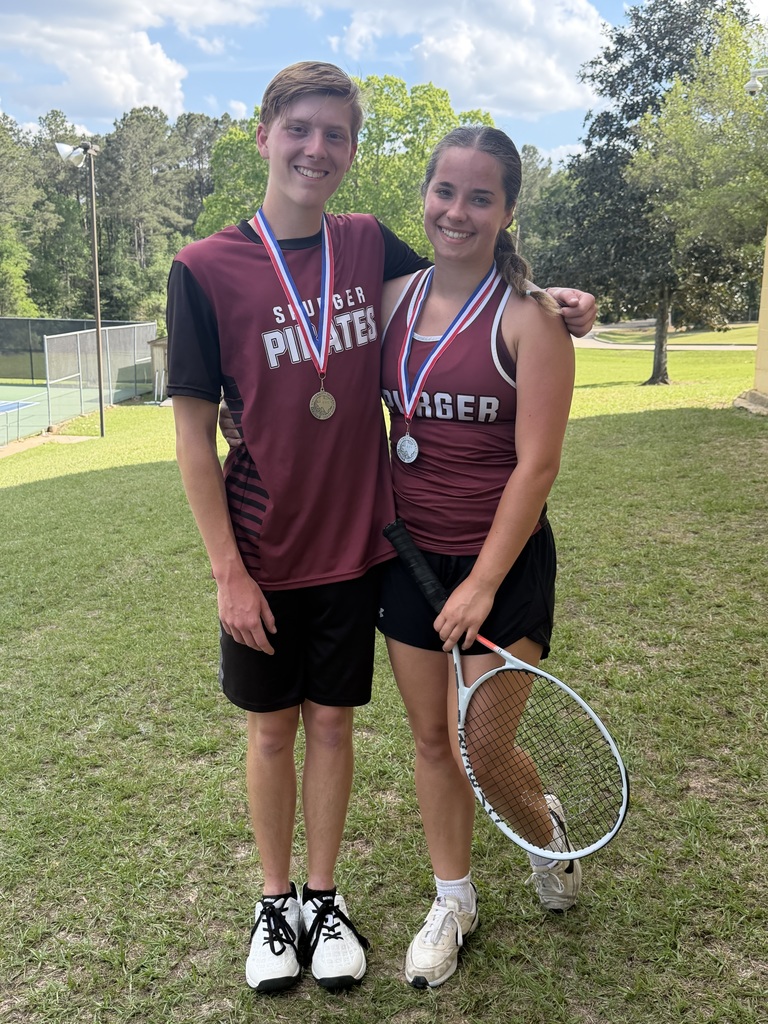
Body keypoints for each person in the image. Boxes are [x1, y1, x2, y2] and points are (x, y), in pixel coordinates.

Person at [168, 61, 595, 995]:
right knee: (369, 737)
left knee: (462, 737)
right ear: (265, 134)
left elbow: (483, 287)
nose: (316, 148)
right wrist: (224, 572)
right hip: (340, 551)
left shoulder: (372, 251)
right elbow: (196, 437)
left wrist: (562, 302)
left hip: (435, 555)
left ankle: (503, 839)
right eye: (300, 129)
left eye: (336, 135)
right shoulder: (235, 271)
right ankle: (372, 901)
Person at [377, 125, 579, 990]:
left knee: (480, 748)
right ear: (424, 195)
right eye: (444, 192)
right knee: (432, 740)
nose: (456, 212)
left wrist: (485, 583)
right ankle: (452, 900)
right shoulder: (387, 297)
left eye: (480, 197)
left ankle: (546, 830)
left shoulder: (532, 319)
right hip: (408, 556)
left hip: (502, 563)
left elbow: (537, 464)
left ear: (507, 211)